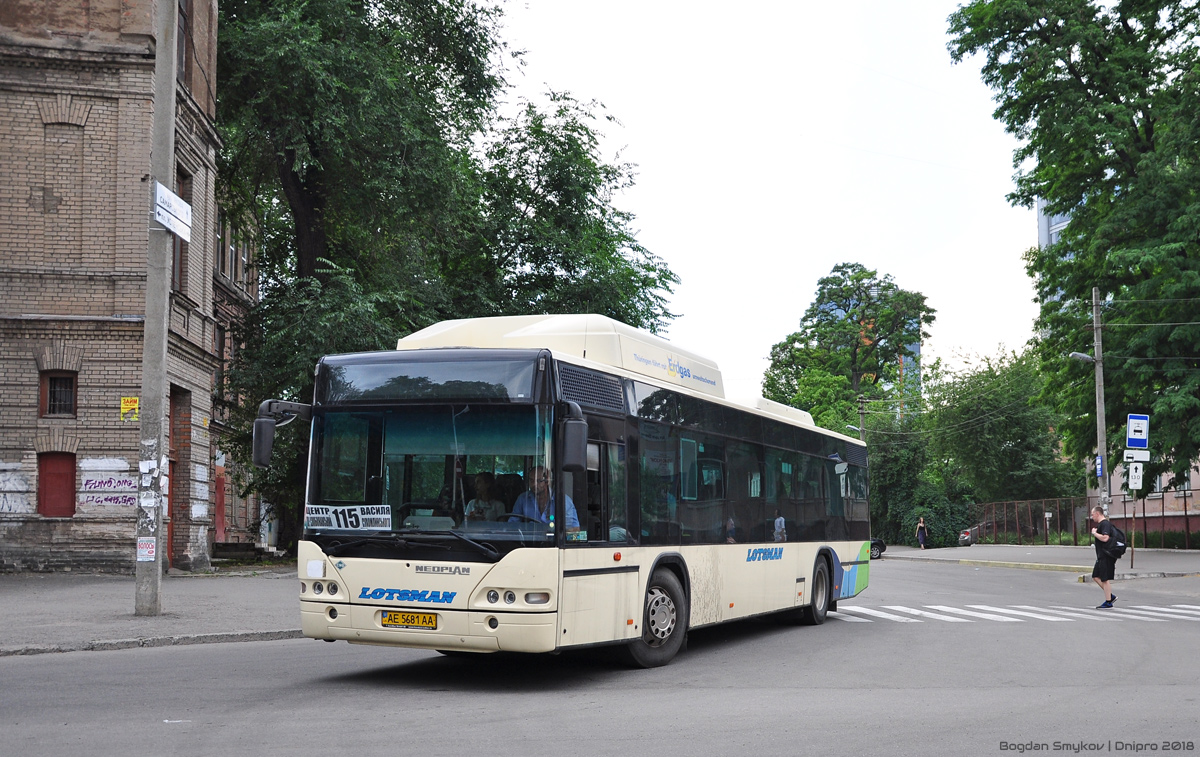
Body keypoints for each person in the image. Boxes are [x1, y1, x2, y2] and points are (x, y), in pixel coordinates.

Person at [511, 466, 579, 528]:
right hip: (528, 540)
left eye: (539, 481)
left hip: (554, 541)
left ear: (547, 482)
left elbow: (573, 530)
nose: (534, 484)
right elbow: (512, 524)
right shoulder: (523, 499)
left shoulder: (563, 500)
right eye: (531, 480)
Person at [1090, 505, 1119, 608]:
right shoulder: (1102, 525)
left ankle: (1108, 601)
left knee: (1104, 579)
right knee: (1095, 576)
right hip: (1101, 555)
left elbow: (1105, 538)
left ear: (1097, 514)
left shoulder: (1105, 524)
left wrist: (1094, 533)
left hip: (1106, 555)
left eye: (1092, 514)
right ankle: (1110, 596)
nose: (1092, 517)